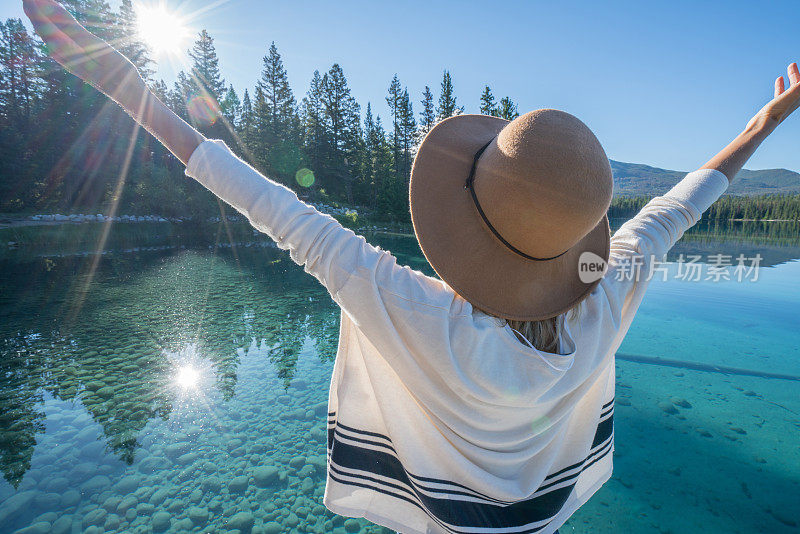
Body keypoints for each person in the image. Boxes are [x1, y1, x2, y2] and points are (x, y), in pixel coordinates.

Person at [22, 1, 800, 533]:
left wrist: (114, 81)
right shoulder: (609, 291)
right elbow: (678, 207)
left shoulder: (418, 315)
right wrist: (763, 122)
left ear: (462, 216)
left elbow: (264, 201)